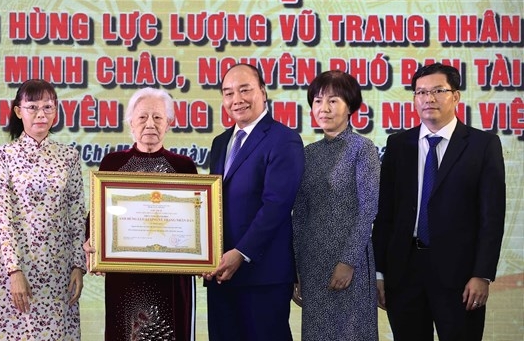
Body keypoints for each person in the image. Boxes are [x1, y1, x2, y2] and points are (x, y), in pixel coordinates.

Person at [372, 63, 506, 341]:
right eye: (421, 92)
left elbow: (491, 217)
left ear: (455, 96)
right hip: (404, 272)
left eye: (438, 91)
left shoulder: (482, 145)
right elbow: (385, 214)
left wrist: (482, 274)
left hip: (460, 276)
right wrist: (380, 273)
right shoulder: (398, 145)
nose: (428, 98)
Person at [84, 87, 198, 341]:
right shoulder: (112, 164)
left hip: (172, 279)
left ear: (169, 123)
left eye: (158, 117)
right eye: (142, 117)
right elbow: (97, 216)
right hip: (125, 278)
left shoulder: (184, 167)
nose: (150, 124)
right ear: (130, 123)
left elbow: (195, 224)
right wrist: (94, 242)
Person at [204, 64, 304, 341]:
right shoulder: (220, 142)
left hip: (263, 275)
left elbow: (277, 205)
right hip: (221, 272)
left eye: (245, 89)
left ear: (263, 91)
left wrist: (241, 252)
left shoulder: (284, 139)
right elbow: (213, 203)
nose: (237, 99)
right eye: (228, 93)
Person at [0, 79, 86, 340]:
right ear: (19, 111)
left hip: (59, 269)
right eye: (32, 107)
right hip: (20, 267)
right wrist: (14, 271)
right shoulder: (1, 156)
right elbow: (3, 218)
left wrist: (78, 265)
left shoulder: (69, 157)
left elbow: (76, 214)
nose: (41, 114)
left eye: (48, 107)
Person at [292, 70, 380, 340]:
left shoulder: (362, 149)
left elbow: (368, 210)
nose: (324, 108)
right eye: (318, 101)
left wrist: (348, 261)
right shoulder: (307, 153)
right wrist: (296, 269)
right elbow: (299, 215)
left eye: (333, 101)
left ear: (350, 106)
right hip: (312, 263)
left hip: (350, 263)